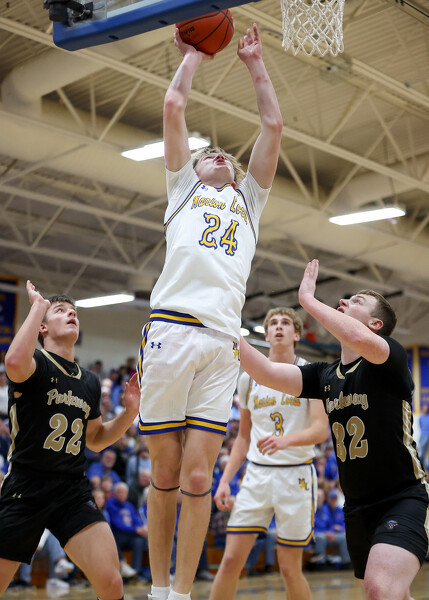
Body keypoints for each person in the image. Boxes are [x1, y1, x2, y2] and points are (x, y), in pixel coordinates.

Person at [137, 22, 283, 600]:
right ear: (192, 170)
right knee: (165, 473)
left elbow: (272, 126)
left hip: (224, 344)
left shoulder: (250, 202)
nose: (218, 155)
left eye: (225, 155)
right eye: (207, 155)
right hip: (172, 331)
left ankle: (181, 591)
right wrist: (195, 54)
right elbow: (174, 105)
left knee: (198, 476)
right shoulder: (183, 191)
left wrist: (255, 64)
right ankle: (157, 589)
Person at [239, 259, 429, 600]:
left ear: (375, 324)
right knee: (391, 594)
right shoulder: (324, 375)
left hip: (403, 498)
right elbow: (266, 372)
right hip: (356, 507)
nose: (344, 301)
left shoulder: (390, 358)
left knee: (380, 590)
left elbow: (355, 335)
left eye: (356, 301)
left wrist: (308, 301)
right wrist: (223, 323)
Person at [0, 281, 140, 599]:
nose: (71, 314)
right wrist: (38, 306)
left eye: (74, 311)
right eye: (61, 311)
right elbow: (13, 363)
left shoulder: (89, 381)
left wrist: (130, 413)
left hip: (71, 490)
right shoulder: (35, 363)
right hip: (27, 487)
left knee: (111, 582)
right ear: (43, 328)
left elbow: (96, 440)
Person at [209, 307, 329, 600]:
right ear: (265, 334)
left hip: (296, 476)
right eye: (272, 323)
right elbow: (243, 437)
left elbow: (320, 430)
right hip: (257, 476)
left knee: (289, 568)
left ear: (296, 334)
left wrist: (286, 441)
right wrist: (225, 480)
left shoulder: (310, 373)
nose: (278, 327)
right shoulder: (248, 379)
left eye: (285, 323)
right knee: (230, 562)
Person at [106, 482, 149, 579]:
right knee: (138, 537)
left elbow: (136, 520)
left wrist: (141, 528)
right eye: (120, 492)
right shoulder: (110, 504)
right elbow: (118, 525)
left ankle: (135, 572)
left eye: (124, 492)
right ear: (115, 493)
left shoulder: (129, 505)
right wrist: (136, 530)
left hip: (130, 535)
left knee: (139, 541)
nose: (122, 494)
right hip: (117, 536)